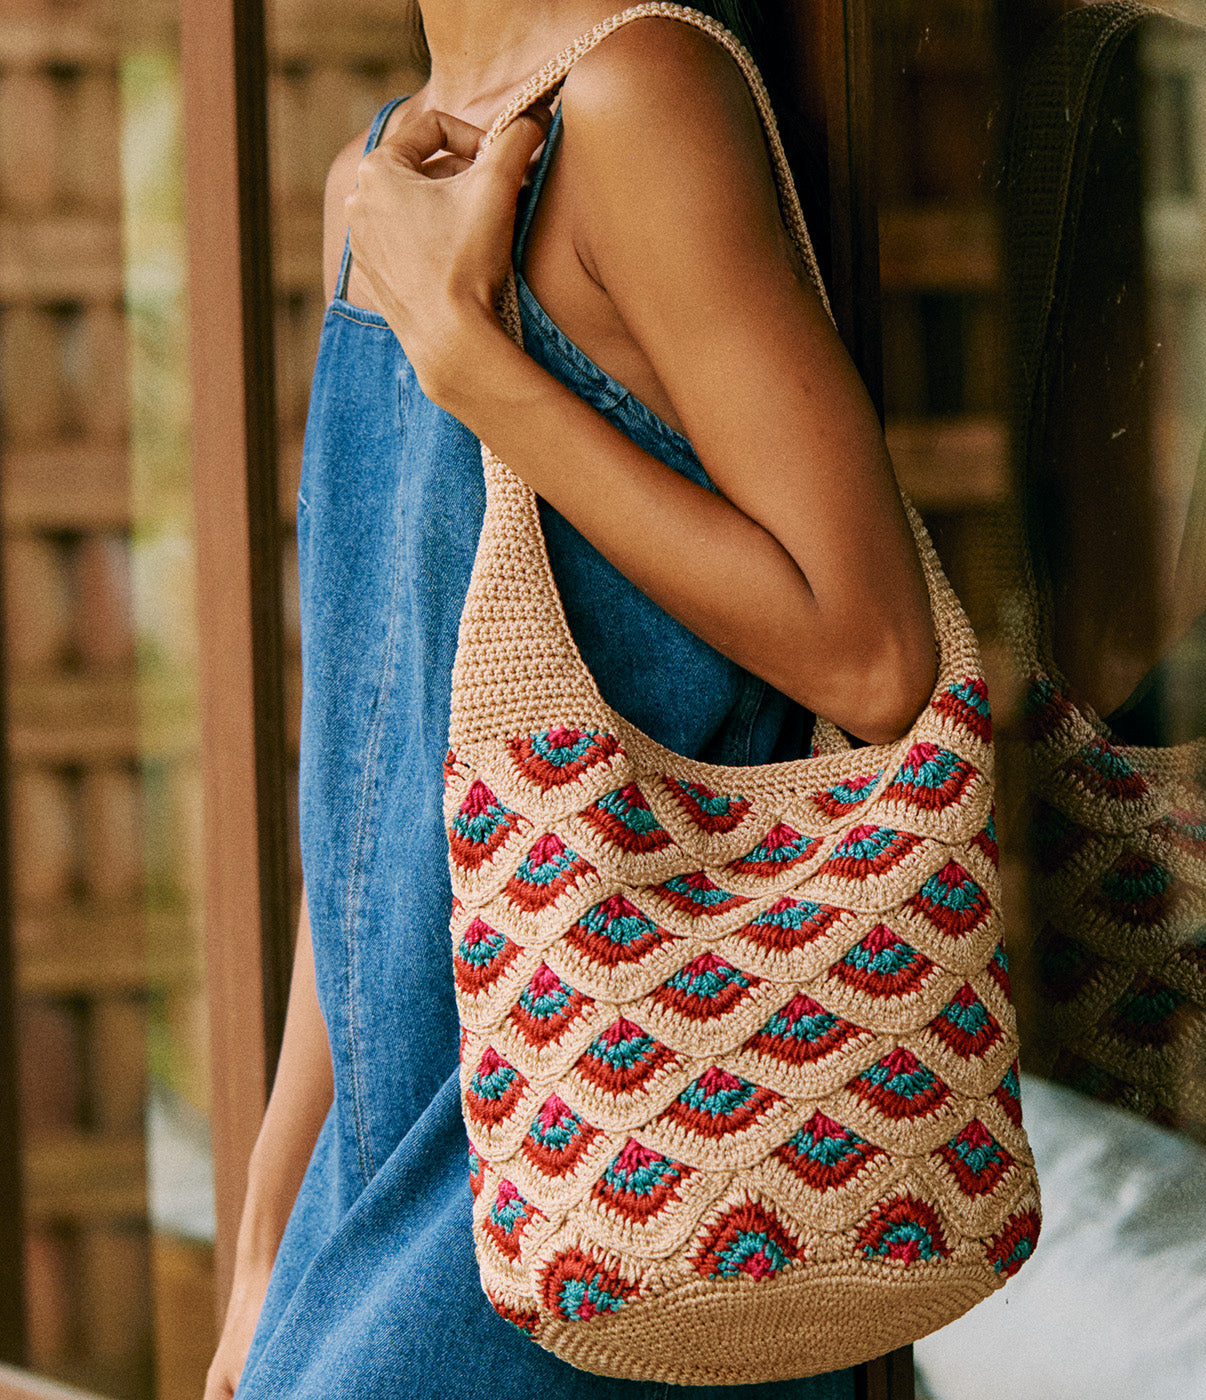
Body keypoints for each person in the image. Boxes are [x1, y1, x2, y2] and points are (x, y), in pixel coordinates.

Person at [207, 2, 937, 1396]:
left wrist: (469, 358)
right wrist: (265, 1239)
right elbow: (370, 785)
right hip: (378, 1195)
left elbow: (872, 654)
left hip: (621, 1153)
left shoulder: (637, 98)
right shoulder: (377, 179)